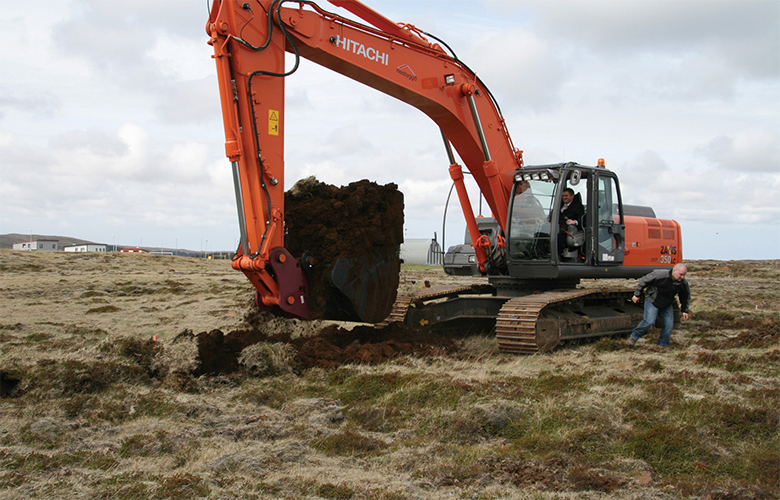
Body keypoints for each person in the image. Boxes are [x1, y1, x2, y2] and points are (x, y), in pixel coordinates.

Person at [628, 263, 691, 347]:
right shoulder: (659, 275)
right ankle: (633, 337)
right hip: (652, 301)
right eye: (681, 274)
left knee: (668, 325)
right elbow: (644, 281)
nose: (682, 277)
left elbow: (685, 296)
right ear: (674, 270)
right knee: (649, 321)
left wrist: (684, 310)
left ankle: (663, 345)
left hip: (667, 304)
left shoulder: (683, 283)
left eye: (684, 275)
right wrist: (637, 294)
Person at [557, 188, 584, 256]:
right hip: (557, 224)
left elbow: (582, 218)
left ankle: (557, 254)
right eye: (563, 196)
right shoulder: (559, 205)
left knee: (559, 232)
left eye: (566, 195)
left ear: (572, 196)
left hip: (567, 227)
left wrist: (574, 222)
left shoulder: (577, 206)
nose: (564, 197)